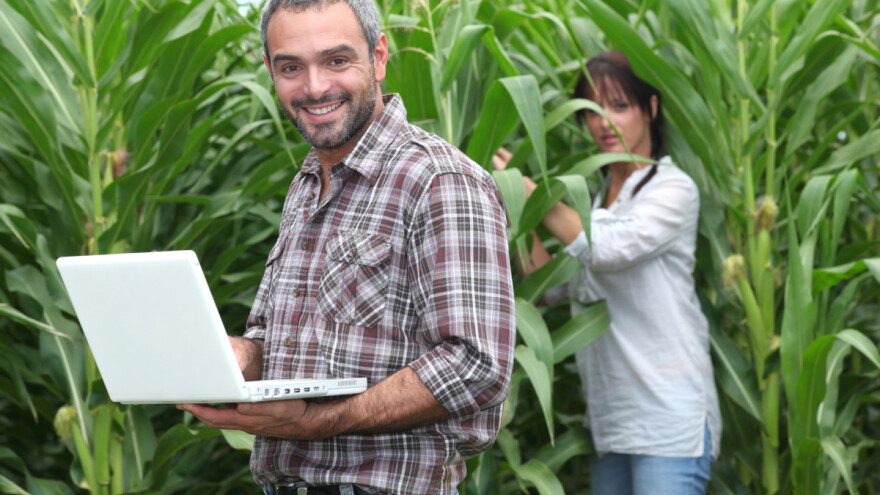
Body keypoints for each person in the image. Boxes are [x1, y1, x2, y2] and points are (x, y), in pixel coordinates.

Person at [179, 1, 516, 494]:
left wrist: (322, 421)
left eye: (337, 60)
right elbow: (284, 346)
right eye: (291, 67)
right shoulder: (307, 185)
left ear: (378, 57)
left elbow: (475, 365)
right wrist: (234, 356)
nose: (314, 88)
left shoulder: (439, 180)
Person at [493, 51, 721, 494]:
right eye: (591, 110)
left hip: (669, 423)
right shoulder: (593, 202)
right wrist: (515, 209)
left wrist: (534, 196)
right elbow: (548, 290)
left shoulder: (672, 190)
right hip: (612, 422)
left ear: (651, 109)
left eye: (619, 106)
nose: (603, 123)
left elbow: (606, 250)